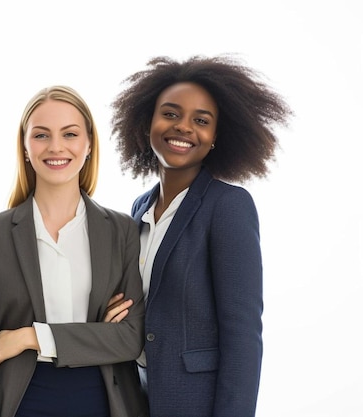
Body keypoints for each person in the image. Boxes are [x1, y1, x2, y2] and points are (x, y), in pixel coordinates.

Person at [109, 55, 292, 416]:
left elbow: (242, 336)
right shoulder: (139, 209)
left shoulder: (228, 206)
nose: (184, 127)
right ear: (148, 122)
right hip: (135, 396)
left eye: (201, 121)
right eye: (171, 114)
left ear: (215, 137)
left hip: (194, 402)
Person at [0, 85, 148, 417]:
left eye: (70, 134)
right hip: (22, 402)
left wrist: (30, 337)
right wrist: (98, 334)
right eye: (42, 135)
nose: (56, 147)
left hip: (104, 401)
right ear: (26, 147)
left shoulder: (122, 231)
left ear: (89, 144)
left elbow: (130, 339)